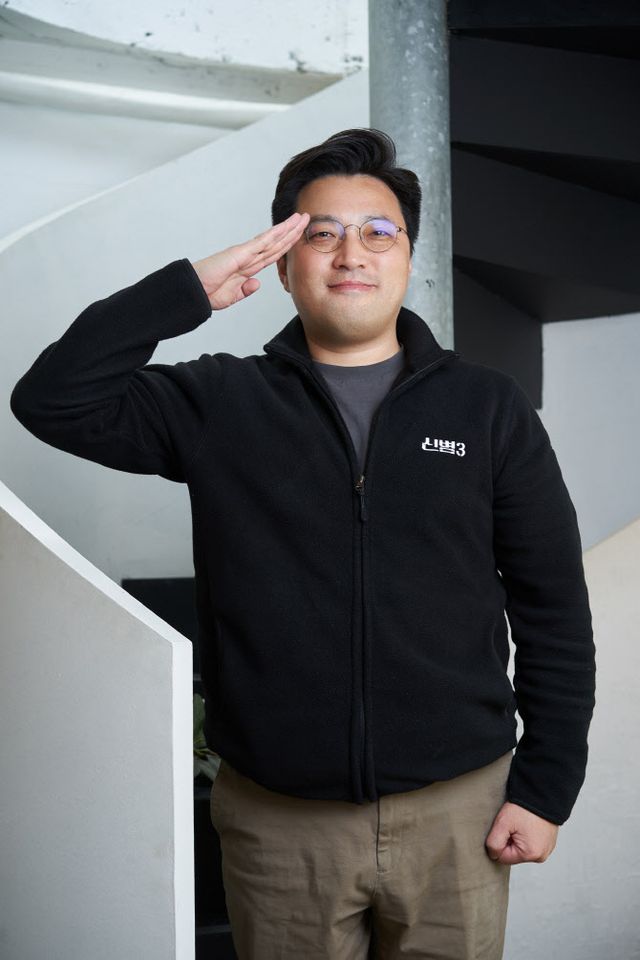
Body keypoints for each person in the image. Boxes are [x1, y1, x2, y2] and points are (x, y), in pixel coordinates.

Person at [11, 128, 595, 960]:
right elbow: (51, 400)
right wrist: (187, 291)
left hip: (458, 811)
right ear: (283, 265)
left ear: (409, 258)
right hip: (278, 824)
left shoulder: (488, 410)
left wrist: (546, 789)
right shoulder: (220, 402)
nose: (351, 253)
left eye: (378, 232)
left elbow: (554, 611)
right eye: (321, 234)